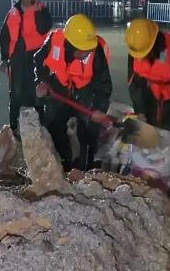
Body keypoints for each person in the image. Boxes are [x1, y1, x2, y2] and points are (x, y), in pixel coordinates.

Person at [125, 18, 170, 201]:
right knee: (145, 134)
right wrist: (140, 111)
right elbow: (134, 83)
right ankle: (149, 181)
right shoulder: (136, 48)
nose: (142, 56)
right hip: (151, 95)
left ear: (154, 42)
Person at [34, 13, 112, 170]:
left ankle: (89, 167)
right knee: (53, 124)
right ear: (70, 45)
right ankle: (64, 163)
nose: (88, 52)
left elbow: (104, 83)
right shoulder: (53, 40)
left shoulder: (95, 51)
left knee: (90, 129)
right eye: (83, 50)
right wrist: (42, 81)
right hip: (60, 88)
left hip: (85, 90)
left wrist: (99, 108)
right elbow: (38, 59)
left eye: (89, 49)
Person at [0, 0, 52, 138]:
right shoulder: (12, 12)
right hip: (17, 58)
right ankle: (14, 128)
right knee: (15, 95)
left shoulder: (42, 11)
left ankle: (40, 126)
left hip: (36, 57)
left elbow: (44, 28)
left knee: (36, 94)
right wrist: (4, 58)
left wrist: (35, 10)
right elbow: (4, 36)